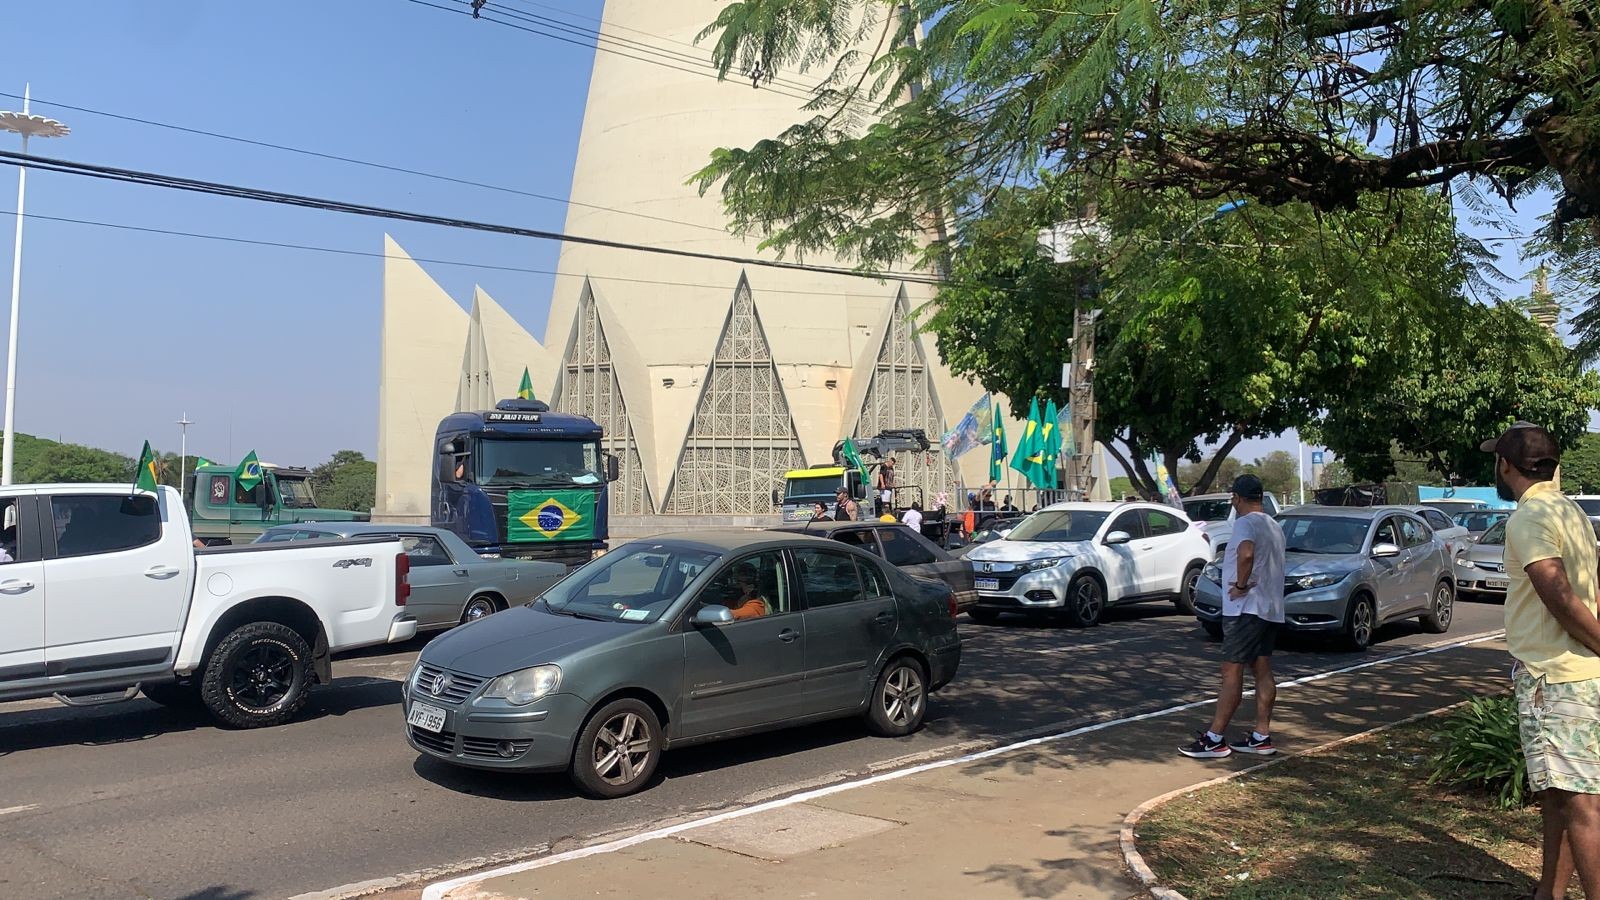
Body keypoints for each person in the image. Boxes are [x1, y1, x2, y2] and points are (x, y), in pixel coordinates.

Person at [1485, 422, 1600, 900]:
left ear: (1506, 465)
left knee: (1582, 806)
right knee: (1559, 797)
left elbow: (1556, 591)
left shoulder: (1528, 518)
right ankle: (1546, 894)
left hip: (1556, 678)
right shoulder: (1569, 510)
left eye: (1496, 459)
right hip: (1575, 673)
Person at [1182, 474, 1286, 759]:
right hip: (1269, 609)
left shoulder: (1245, 523)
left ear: (1237, 498)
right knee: (1262, 669)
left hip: (1245, 609)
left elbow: (1246, 554)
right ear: (1261, 498)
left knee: (1231, 671)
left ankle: (1215, 738)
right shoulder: (1274, 526)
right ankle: (1261, 735)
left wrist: (1240, 586)